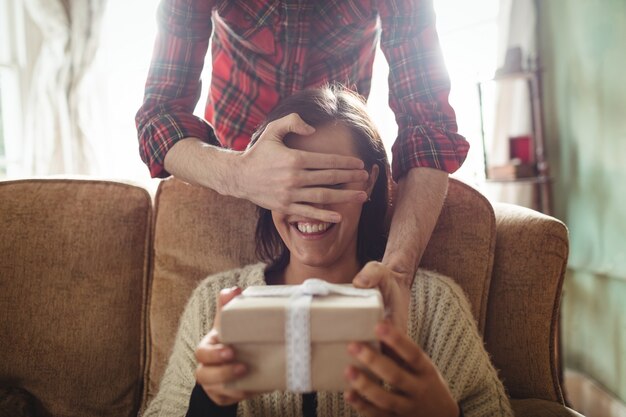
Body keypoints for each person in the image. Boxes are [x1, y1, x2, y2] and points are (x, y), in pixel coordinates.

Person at [142, 86, 512, 417]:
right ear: (261, 186)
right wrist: (209, 403)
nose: (312, 206)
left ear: (369, 182)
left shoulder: (433, 306)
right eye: (293, 183)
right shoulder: (212, 305)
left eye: (332, 182)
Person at [135, 0, 470, 330]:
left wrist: (396, 274)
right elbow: (158, 119)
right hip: (232, 174)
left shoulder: (437, 307)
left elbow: (428, 129)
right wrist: (239, 174)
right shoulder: (210, 299)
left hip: (343, 146)